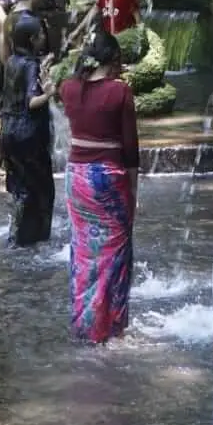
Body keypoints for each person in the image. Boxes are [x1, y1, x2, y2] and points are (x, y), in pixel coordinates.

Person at [59, 28, 139, 343]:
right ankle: (111, 328)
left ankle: (85, 324)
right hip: (107, 178)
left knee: (84, 252)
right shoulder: (120, 92)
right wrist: (133, 193)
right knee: (115, 253)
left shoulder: (68, 88)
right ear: (114, 58)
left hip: (76, 178)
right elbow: (130, 151)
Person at [0, 13, 55, 246]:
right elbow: (31, 102)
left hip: (8, 132)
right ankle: (33, 241)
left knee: (21, 189)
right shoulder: (30, 64)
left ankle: (17, 235)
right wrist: (50, 92)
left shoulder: (12, 61)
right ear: (32, 39)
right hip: (28, 136)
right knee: (41, 190)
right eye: (40, 34)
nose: (44, 37)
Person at [0, 0, 46, 65]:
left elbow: (4, 55)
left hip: (12, 71)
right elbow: (42, 53)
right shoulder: (34, 22)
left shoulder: (7, 19)